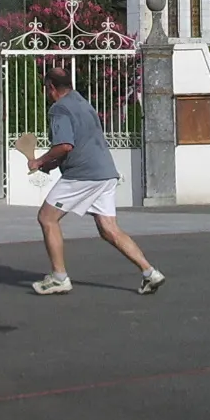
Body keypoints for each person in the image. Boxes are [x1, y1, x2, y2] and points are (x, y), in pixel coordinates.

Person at [25, 67, 166, 296]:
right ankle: (150, 273)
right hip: (106, 173)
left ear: (51, 87)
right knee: (108, 228)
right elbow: (79, 143)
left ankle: (59, 277)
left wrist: (39, 161)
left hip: (83, 175)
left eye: (46, 89)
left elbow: (64, 146)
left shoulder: (59, 109)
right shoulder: (82, 103)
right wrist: (51, 164)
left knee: (47, 218)